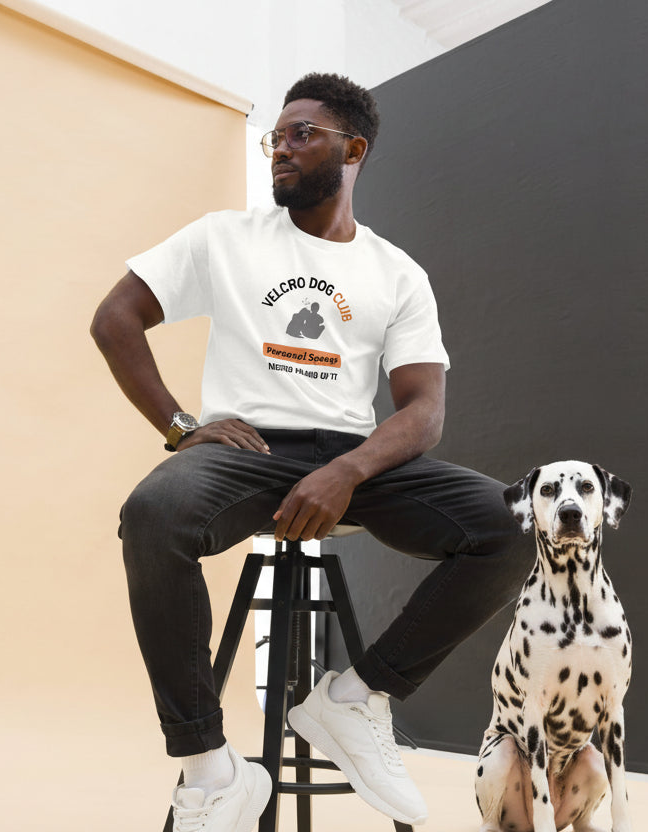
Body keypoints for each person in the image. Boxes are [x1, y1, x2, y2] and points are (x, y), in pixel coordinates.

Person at [90, 72, 529, 832]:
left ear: (353, 149)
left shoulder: (396, 273)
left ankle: (353, 699)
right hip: (246, 452)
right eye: (275, 137)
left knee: (511, 525)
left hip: (352, 463)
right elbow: (115, 318)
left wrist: (349, 469)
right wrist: (180, 426)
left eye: (302, 135)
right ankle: (211, 770)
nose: (280, 151)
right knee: (153, 514)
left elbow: (423, 412)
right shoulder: (225, 237)